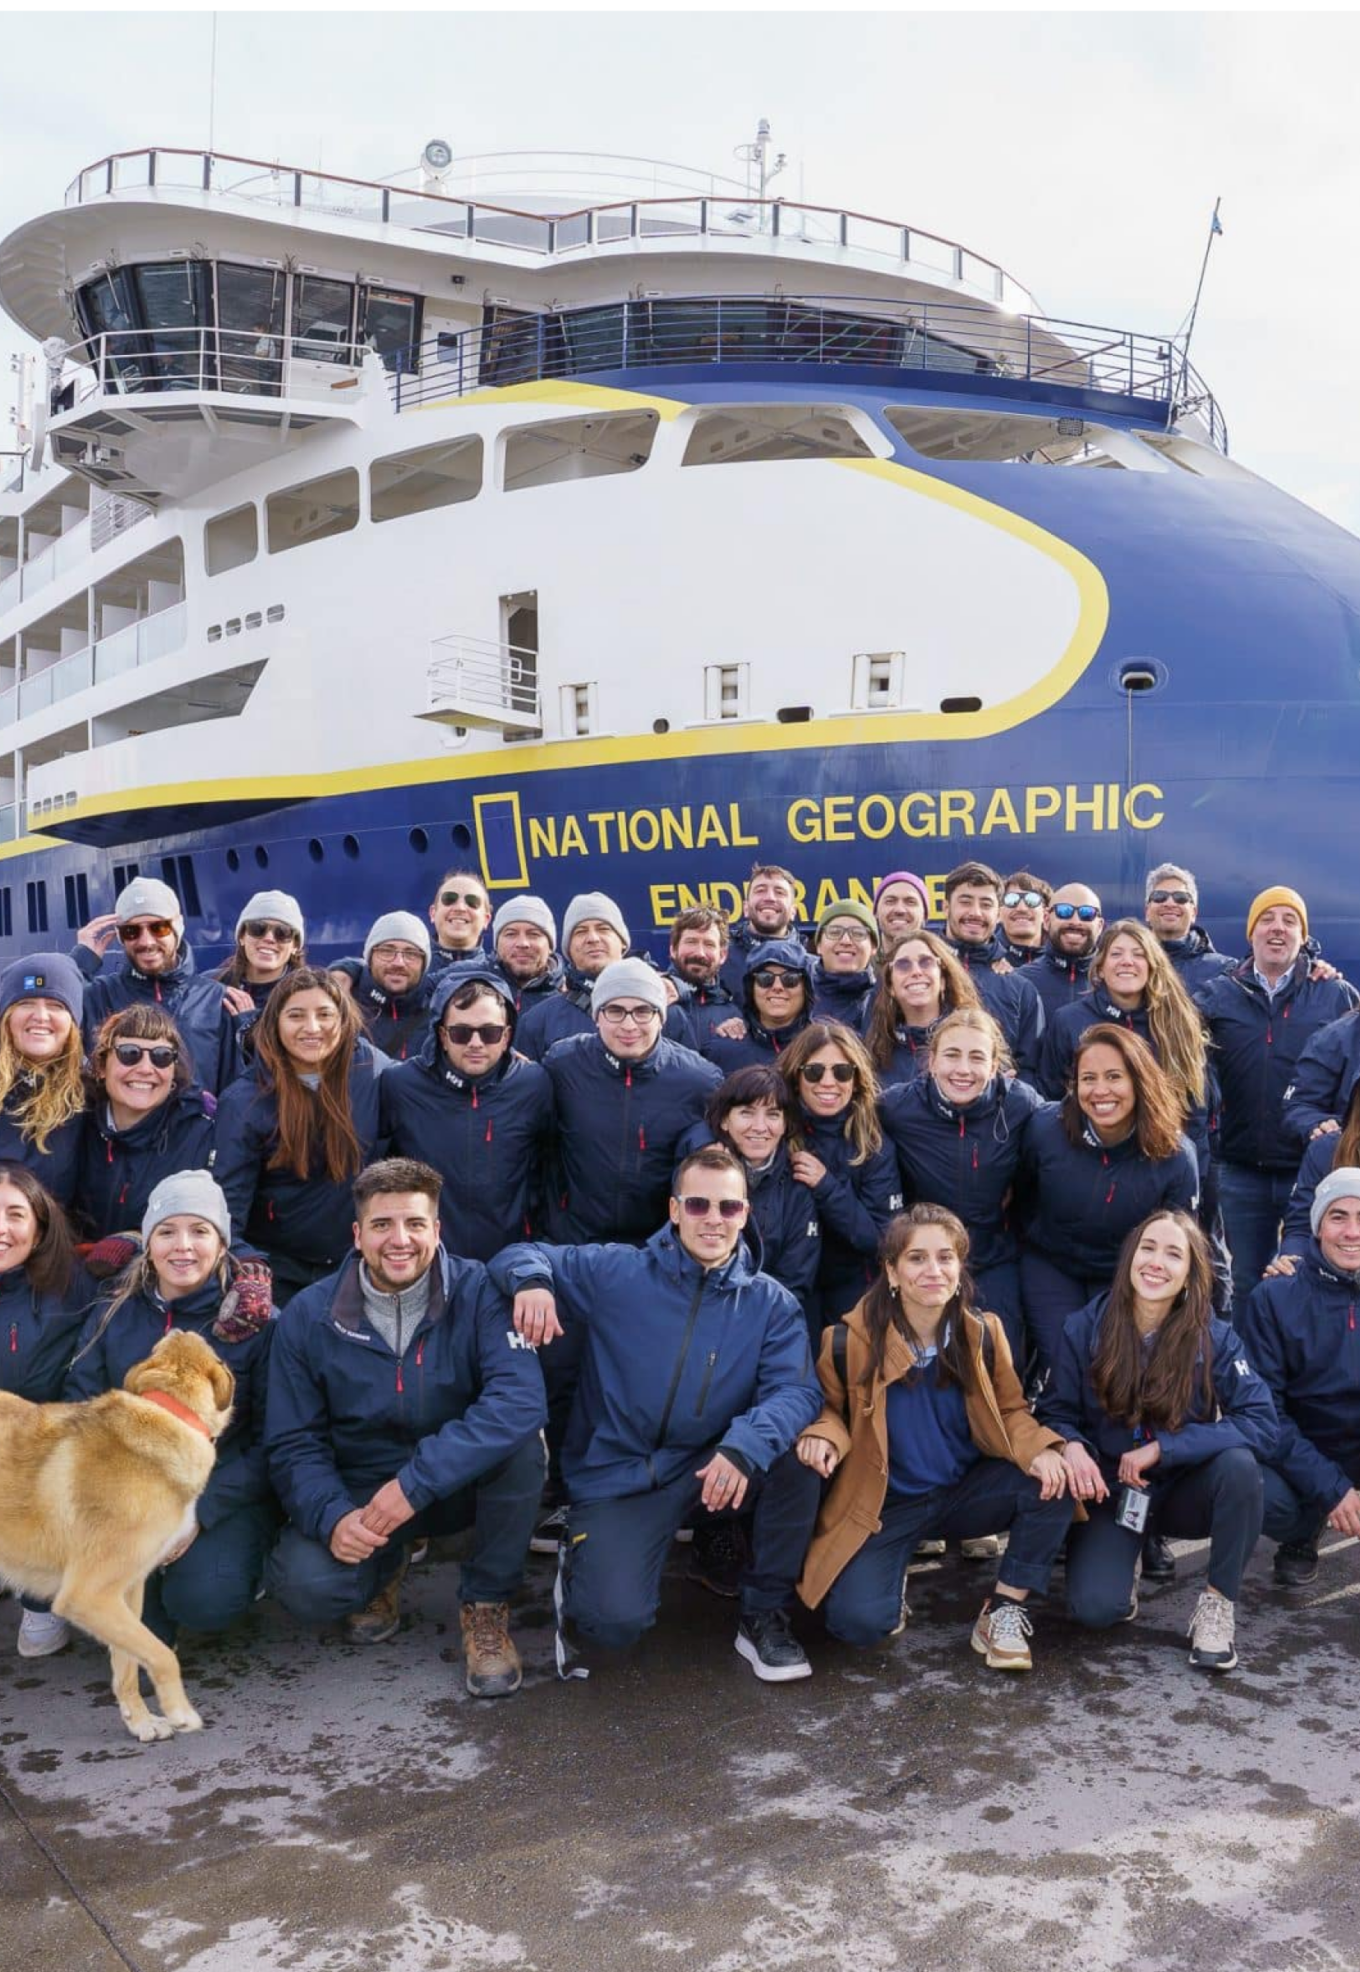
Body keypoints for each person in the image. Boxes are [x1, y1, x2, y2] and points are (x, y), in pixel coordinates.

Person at [491, 1145, 824, 1681]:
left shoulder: (771, 1303)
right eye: (698, 1206)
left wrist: (744, 1447)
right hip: (622, 1479)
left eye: (729, 1208)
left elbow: (796, 1391)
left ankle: (762, 1614)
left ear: (745, 1214)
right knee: (609, 1625)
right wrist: (532, 1282)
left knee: (801, 1460)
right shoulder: (618, 1271)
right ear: (673, 1210)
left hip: (711, 1467)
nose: (713, 1220)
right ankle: (590, 1554)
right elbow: (518, 1254)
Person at [265, 1158, 546, 1696]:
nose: (400, 1240)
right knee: (307, 1587)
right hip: (364, 1489)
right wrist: (331, 1516)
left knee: (522, 1449)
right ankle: (384, 1564)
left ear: (437, 1230)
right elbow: (292, 1440)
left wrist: (415, 1485)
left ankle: (485, 1605)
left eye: (415, 1224)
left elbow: (519, 1401)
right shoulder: (307, 1314)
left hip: (453, 1479)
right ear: (357, 1234)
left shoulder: (482, 1292)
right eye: (382, 1225)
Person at [795, 1205, 1073, 1669]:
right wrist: (822, 1435)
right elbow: (828, 1408)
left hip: (962, 1493)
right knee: (857, 1625)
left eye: (946, 1258)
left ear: (960, 1268)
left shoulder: (984, 1333)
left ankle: (1004, 1608)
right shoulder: (845, 1341)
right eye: (917, 1258)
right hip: (886, 1506)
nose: (933, 1270)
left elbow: (1011, 1410)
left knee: (1054, 1481)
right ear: (891, 1272)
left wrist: (1040, 1449)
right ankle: (891, 1575)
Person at [1041, 1211, 1272, 1672]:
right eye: (1148, 1248)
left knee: (1241, 1468)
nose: (1156, 1262)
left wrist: (1166, 1447)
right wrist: (1071, 1444)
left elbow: (1261, 1422)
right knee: (1095, 1610)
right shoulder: (1084, 1326)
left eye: (1174, 1254)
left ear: (1190, 1274)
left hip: (1182, 1489)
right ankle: (1126, 1558)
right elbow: (1054, 1411)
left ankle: (1217, 1604)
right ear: (1130, 1257)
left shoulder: (1215, 1337)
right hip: (1113, 1491)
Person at [66, 1171, 278, 1644]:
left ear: (222, 1242)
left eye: (200, 1231)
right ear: (148, 1241)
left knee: (203, 1599)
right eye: (167, 1231)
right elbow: (82, 1404)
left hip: (218, 1493)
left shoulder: (253, 1322)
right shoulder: (113, 1312)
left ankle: (243, 1569)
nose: (183, 1246)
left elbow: (273, 1440)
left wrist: (198, 1511)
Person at [1200, 887, 1358, 1306]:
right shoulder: (1219, 994)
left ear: (1303, 936)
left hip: (1313, 1169)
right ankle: (1250, 1366)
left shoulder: (1335, 993)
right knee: (1248, 1281)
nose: (1278, 928)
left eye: (1290, 920)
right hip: (1239, 1169)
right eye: (1267, 919)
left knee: (1315, 1277)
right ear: (1251, 933)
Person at [1018, 1026, 1199, 1376]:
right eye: (1088, 1078)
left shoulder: (1176, 1156)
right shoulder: (1044, 1128)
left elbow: (1180, 1239)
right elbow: (1022, 1194)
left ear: (1139, 1080)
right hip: (1052, 1263)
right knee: (1063, 1361)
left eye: (1114, 1077)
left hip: (1124, 1272)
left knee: (1110, 1366)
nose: (1100, 1091)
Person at [214, 968, 386, 1302]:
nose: (312, 1028)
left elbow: (430, 1081)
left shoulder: (373, 1071)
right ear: (275, 1023)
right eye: (296, 1015)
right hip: (277, 1270)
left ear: (343, 1020)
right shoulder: (244, 1101)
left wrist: (510, 1067)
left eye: (324, 1015)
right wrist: (243, 1260)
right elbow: (227, 1201)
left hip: (355, 1266)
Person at [880, 1010, 1039, 1361]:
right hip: (925, 1257)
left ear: (995, 1064)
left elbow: (1059, 1143)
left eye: (977, 1057)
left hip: (993, 1253)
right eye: (952, 1055)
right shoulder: (898, 1107)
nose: (963, 1070)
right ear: (932, 1061)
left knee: (1001, 1357)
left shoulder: (1019, 1104)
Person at [542, 958, 721, 1246]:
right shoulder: (563, 1064)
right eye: (615, 1010)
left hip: (659, 1250)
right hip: (575, 1242)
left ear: (661, 1017)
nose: (629, 1025)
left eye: (642, 1011)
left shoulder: (699, 1081)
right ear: (597, 1015)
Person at [1238, 1169, 1360, 1588]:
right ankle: (1303, 1530)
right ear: (1318, 1226)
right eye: (1338, 1217)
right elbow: (1264, 1413)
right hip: (1301, 1453)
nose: (1351, 1232)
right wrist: (1331, 1488)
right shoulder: (1275, 1297)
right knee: (1250, 1486)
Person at [379, 968, 553, 1261]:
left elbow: (550, 1169)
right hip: (426, 1261)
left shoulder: (533, 1084)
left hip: (511, 1259)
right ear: (442, 1035)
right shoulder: (400, 1085)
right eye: (461, 1033)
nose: (476, 1043)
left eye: (490, 1033)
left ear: (507, 1035)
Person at [0, 1166, 98, 1658]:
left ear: (39, 1225)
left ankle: (42, 1597)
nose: (1, 1228)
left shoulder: (73, 1283)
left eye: (14, 1214)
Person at [1038, 919, 1212, 1183]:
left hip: (1160, 1166)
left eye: (1138, 954)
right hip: (1086, 1166)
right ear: (1101, 967)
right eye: (1116, 954)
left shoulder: (1180, 1022)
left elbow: (1196, 1108)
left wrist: (1194, 1173)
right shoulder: (1068, 1021)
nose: (1127, 961)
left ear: (1153, 965)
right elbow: (1049, 1098)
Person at [679, 1065, 821, 1338]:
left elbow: (796, 1280)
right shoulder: (698, 1173)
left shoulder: (799, 1186)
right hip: (696, 1319)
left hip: (768, 1325)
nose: (759, 1127)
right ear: (724, 1121)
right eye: (746, 1113)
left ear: (785, 1124)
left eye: (772, 1114)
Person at [779, 1021, 903, 1325]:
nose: (828, 1082)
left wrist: (825, 1186)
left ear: (857, 1079)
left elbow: (880, 1239)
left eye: (842, 1072)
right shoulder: (773, 1131)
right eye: (814, 1072)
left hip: (854, 1290)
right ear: (796, 1078)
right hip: (785, 1288)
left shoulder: (873, 1143)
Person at [75, 877, 240, 1096]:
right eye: (131, 931)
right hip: (120, 1130)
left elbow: (234, 1089)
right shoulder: (97, 996)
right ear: (120, 937)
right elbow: (47, 1023)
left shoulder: (216, 1000)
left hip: (197, 1129)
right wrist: (80, 964)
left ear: (178, 927)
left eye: (158, 928)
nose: (146, 942)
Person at [74, 1006, 216, 1241]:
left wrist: (134, 1244)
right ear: (101, 1067)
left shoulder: (202, 1130)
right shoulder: (75, 1123)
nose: (145, 1069)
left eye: (161, 1056)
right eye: (129, 1053)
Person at [516, 891, 689, 1059]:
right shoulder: (538, 1021)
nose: (593, 938)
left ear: (622, 943)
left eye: (603, 929)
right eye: (581, 931)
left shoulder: (666, 1010)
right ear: (568, 948)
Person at [939, 862, 1044, 1081]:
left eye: (986, 904)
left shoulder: (1021, 990)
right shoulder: (917, 974)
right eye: (965, 902)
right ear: (946, 907)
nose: (975, 913)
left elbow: (1031, 1072)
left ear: (998, 914)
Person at [0, 953, 87, 1207]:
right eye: (26, 1003)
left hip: (57, 1243)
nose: (40, 1016)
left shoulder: (89, 1097)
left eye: (56, 1005)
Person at [863, 930, 980, 1087]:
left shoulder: (977, 1040)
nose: (916, 972)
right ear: (891, 986)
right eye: (903, 965)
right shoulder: (875, 1052)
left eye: (926, 962)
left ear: (943, 980)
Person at [333, 912, 435, 1063]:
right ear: (370, 957)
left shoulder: (439, 1012)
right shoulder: (339, 1003)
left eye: (411, 953)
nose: (398, 962)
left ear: (424, 963)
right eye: (387, 951)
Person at [703, 939, 814, 1072]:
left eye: (790, 979)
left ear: (805, 988)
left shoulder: (825, 1046)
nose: (777, 987)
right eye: (765, 978)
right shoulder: (721, 1051)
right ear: (751, 988)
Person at [1144, 864, 1235, 992]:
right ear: (1147, 912)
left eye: (1180, 898)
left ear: (1194, 913)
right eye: (1160, 896)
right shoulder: (1126, 966)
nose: (1170, 903)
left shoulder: (1225, 971)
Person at [719, 863, 806, 996]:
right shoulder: (720, 956)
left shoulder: (809, 962)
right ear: (746, 908)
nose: (770, 898)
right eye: (760, 890)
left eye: (779, 892)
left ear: (793, 912)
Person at [215, 891, 306, 1013]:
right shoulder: (210, 986)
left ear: (295, 946)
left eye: (282, 932)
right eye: (257, 928)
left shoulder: (309, 997)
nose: (269, 938)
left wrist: (247, 1024)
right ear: (242, 936)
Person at [665, 905, 738, 1051]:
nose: (700, 953)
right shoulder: (653, 999)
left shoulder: (734, 1015)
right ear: (673, 949)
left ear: (722, 955)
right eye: (691, 942)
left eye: (709, 944)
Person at [1026, 884, 1104, 1020]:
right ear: (1046, 920)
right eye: (1064, 911)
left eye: (1087, 913)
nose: (1075, 921)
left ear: (1100, 926)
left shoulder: (1115, 983)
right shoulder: (1021, 982)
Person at [809, 900, 879, 1029]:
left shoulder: (884, 1001)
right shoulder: (798, 996)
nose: (846, 941)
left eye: (858, 933)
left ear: (873, 947)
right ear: (818, 945)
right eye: (834, 932)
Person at [490, 897, 564, 1010]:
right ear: (497, 944)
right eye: (511, 934)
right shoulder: (472, 988)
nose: (522, 943)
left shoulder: (570, 999)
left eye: (533, 934)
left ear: (550, 946)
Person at [426, 870, 492, 975]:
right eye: (449, 899)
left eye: (472, 901)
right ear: (432, 913)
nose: (460, 908)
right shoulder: (410, 974)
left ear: (486, 919)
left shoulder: (500, 977)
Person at [998, 873, 1052, 966]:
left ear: (1045, 914)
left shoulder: (1065, 961)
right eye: (1011, 900)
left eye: (1031, 900)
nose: (1021, 908)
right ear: (999, 913)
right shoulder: (983, 959)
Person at [872, 871, 930, 946]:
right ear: (876, 912)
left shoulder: (944, 957)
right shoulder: (861, 957)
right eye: (890, 901)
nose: (900, 910)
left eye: (910, 902)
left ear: (924, 915)